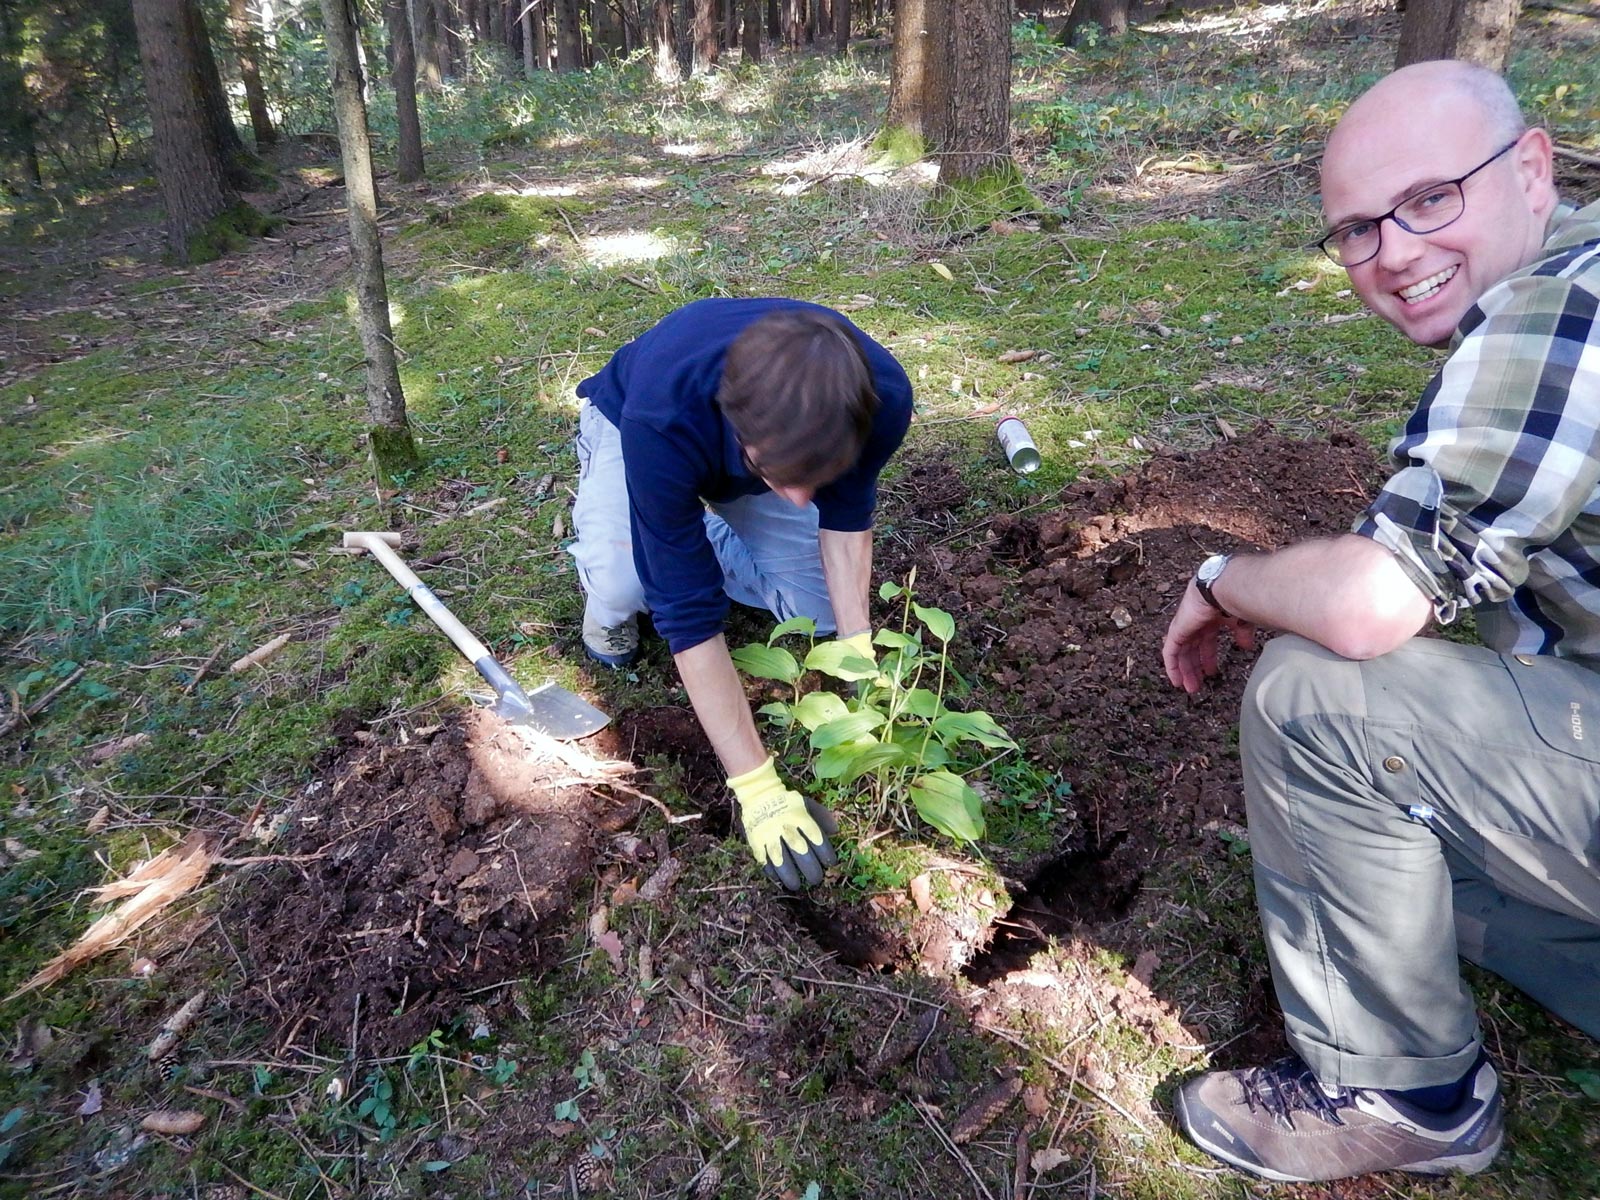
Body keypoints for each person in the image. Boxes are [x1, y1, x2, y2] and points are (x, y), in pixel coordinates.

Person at [1161, 60, 1600, 1183]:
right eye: (1356, 229)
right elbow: (1422, 533)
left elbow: (1370, 602)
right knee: (1420, 879)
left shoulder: (1565, 309)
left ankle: (1407, 1097)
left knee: (1320, 701)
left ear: (1533, 168)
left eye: (1428, 200)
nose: (1393, 252)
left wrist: (1222, 580)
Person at [568, 297, 914, 890]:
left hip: (755, 453)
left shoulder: (876, 396)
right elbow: (688, 617)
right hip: (632, 427)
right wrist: (756, 784)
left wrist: (861, 654)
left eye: (817, 478)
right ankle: (658, 537)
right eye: (787, 479)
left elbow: (847, 517)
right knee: (632, 585)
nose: (804, 501)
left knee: (819, 611)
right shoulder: (662, 418)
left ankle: (680, 535)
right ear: (741, 436)